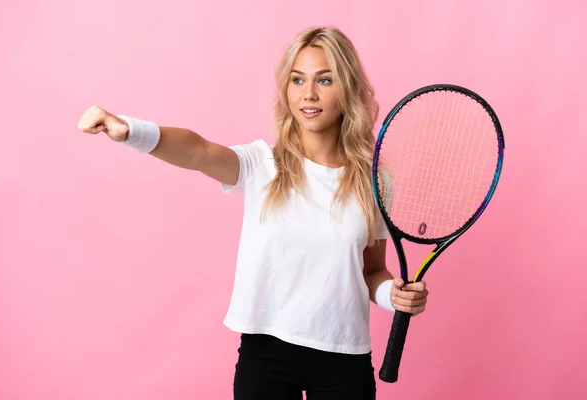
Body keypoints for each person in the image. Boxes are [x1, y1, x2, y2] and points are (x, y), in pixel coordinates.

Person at [77, 26, 429, 400]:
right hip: (267, 358)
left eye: (324, 80)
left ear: (348, 89)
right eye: (297, 80)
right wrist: (129, 129)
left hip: (344, 356)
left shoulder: (374, 180)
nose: (308, 94)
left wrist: (394, 294)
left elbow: (371, 269)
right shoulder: (262, 164)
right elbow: (199, 151)